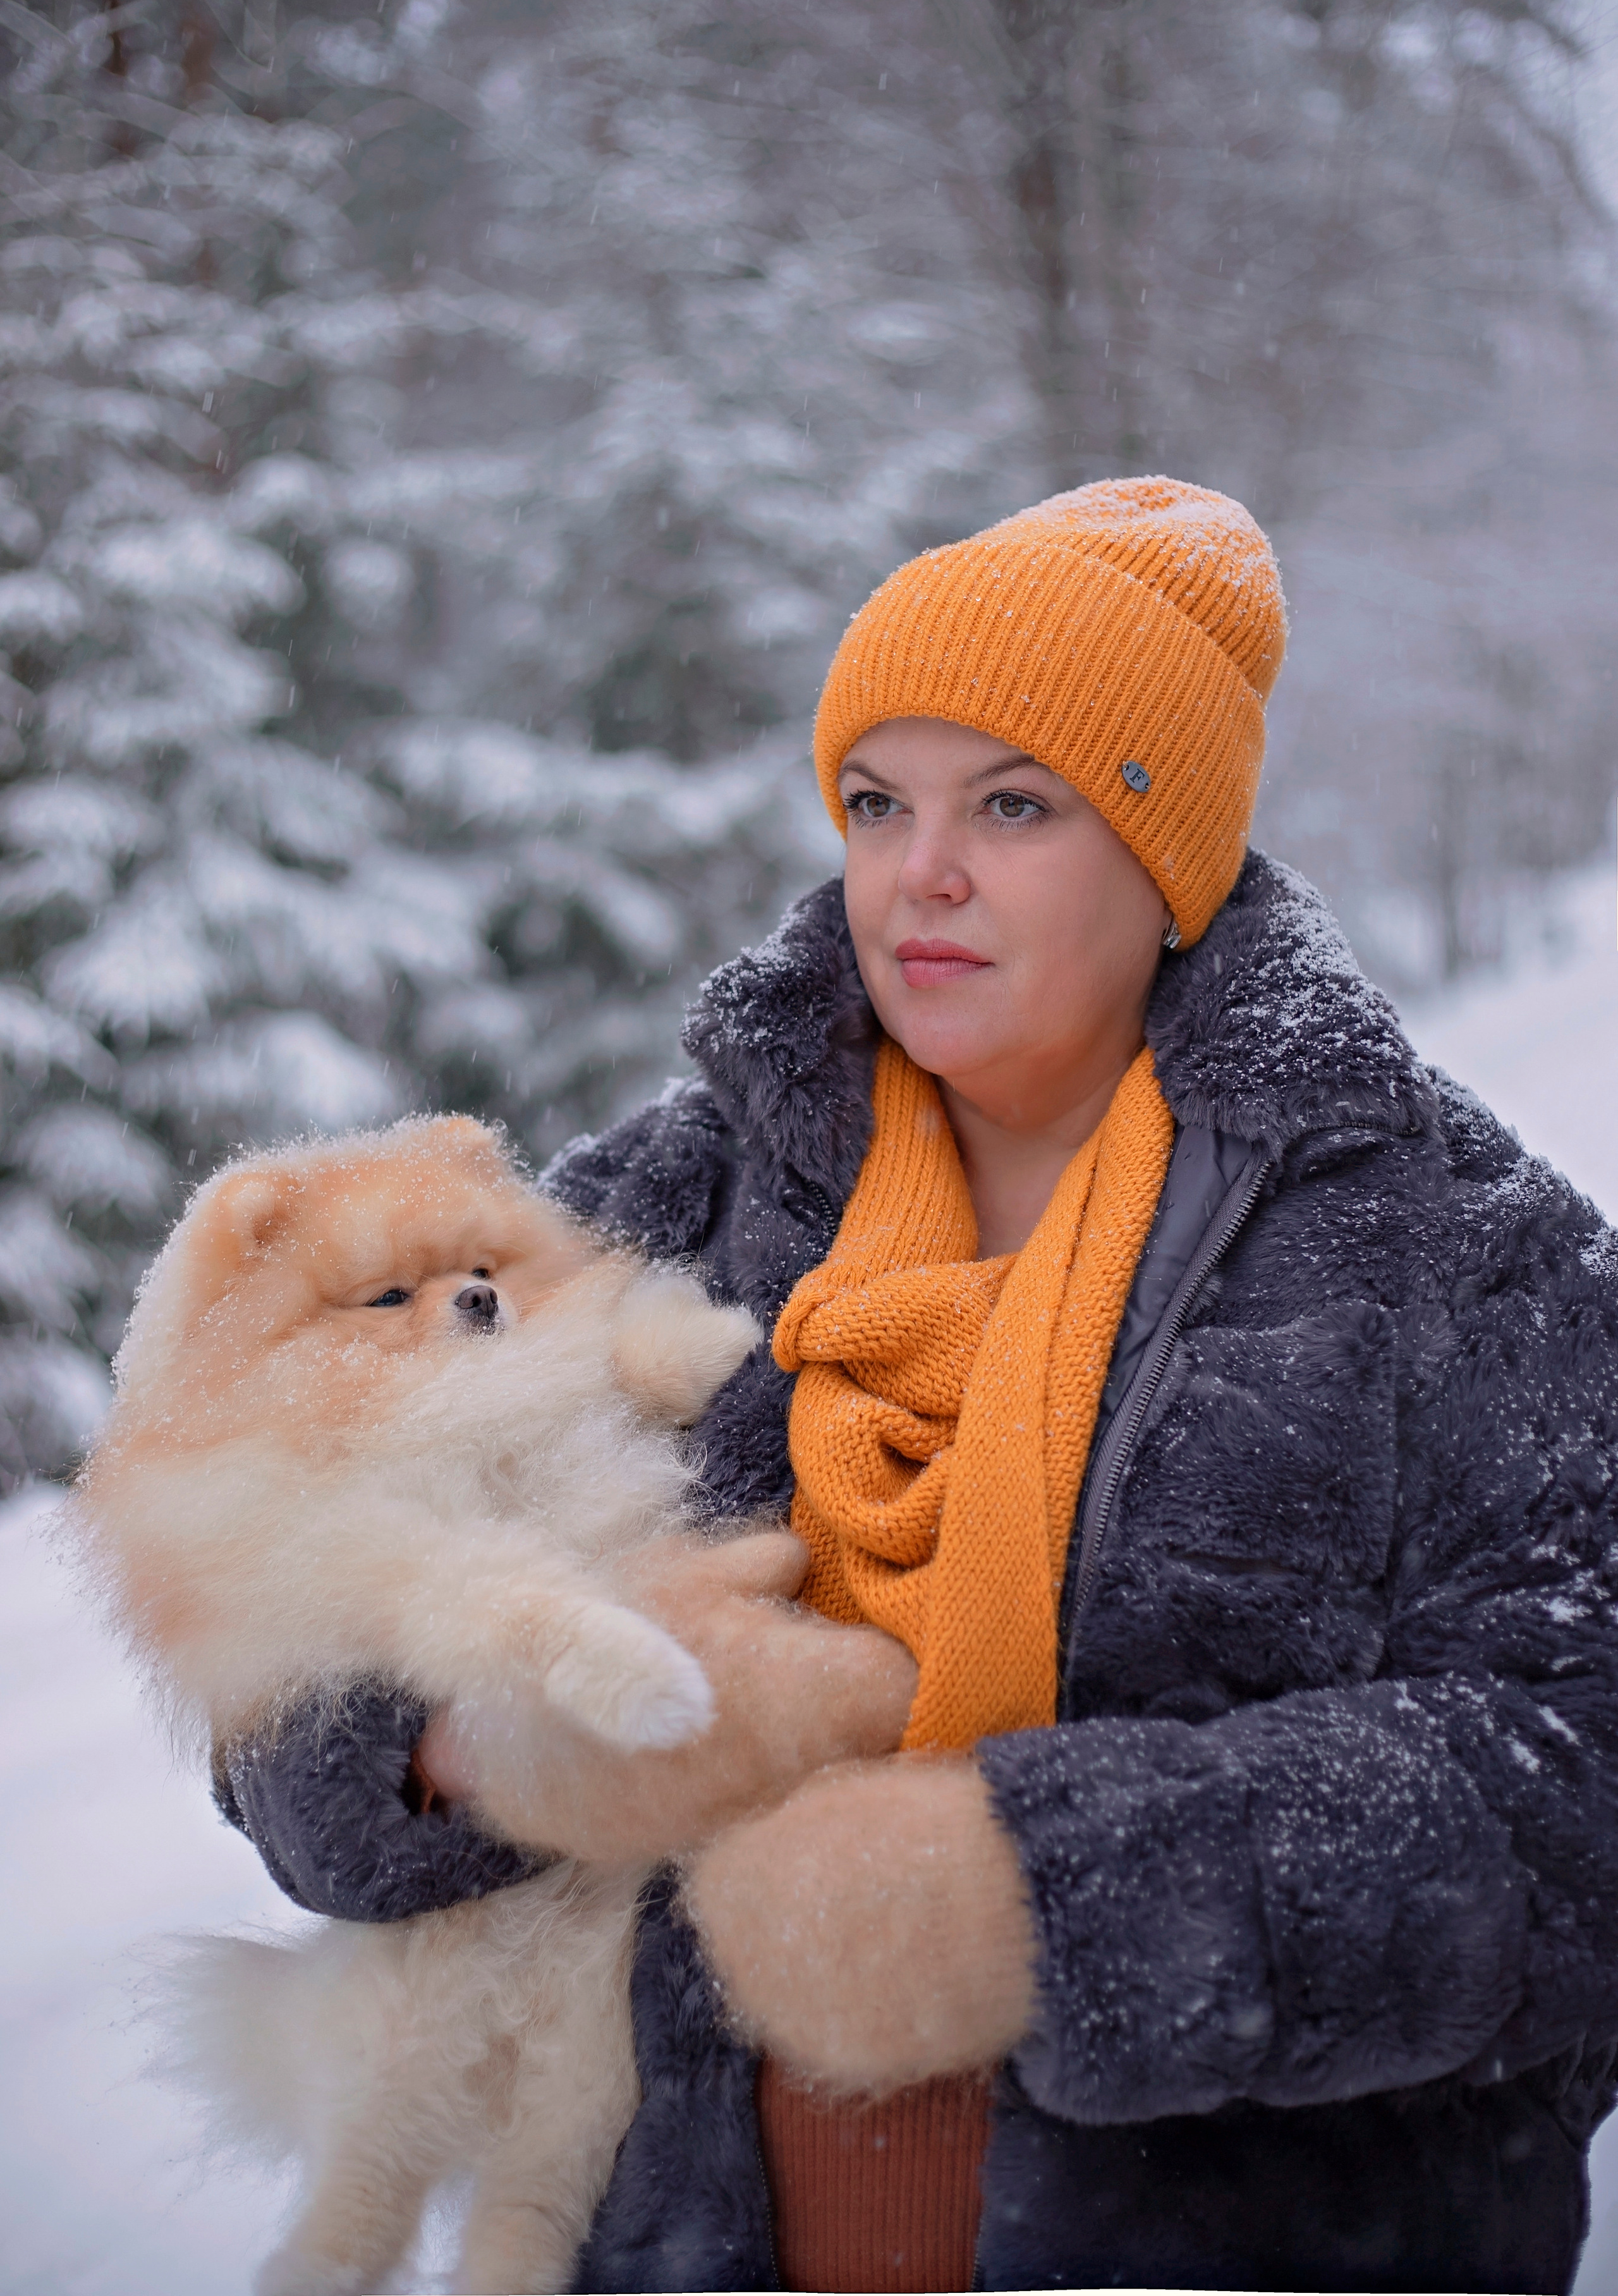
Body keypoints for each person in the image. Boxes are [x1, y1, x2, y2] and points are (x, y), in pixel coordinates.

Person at [216, 479, 1618, 2295]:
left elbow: (1578, 1773)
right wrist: (478, 1742)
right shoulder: (661, 1207)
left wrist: (1049, 1902)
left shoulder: (1452, 1248)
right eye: (877, 802)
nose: (916, 873)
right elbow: (277, 1642)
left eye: (1012, 807)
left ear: (1163, 850)